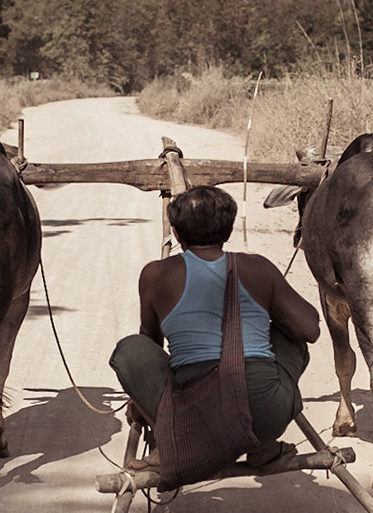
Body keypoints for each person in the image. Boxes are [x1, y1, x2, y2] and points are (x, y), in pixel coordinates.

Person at [110, 185, 321, 468]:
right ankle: (264, 446)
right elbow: (310, 331)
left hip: (197, 421)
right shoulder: (258, 268)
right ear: (229, 231)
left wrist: (140, 401)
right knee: (290, 336)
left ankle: (174, 440)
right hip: (267, 418)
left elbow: (150, 342)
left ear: (176, 232)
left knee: (131, 349)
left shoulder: (155, 275)